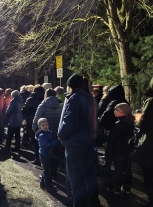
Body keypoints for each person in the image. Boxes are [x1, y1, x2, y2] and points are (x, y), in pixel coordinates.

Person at [58, 73, 100, 207]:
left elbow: (69, 122)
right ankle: (94, 202)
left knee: (76, 180)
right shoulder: (90, 98)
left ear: (71, 86)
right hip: (88, 141)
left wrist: (61, 135)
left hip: (75, 143)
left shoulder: (75, 99)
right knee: (89, 175)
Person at [32, 88, 62, 180]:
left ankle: (46, 175)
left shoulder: (43, 105)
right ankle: (54, 173)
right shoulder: (60, 104)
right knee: (55, 154)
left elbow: (37, 119)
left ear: (46, 95)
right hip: (57, 133)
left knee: (45, 154)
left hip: (45, 133)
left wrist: (35, 131)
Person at [106, 103, 134, 194]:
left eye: (117, 110)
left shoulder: (118, 124)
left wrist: (109, 149)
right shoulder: (130, 121)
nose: (114, 112)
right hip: (127, 149)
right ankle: (127, 186)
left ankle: (116, 187)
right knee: (127, 169)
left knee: (118, 169)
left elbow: (113, 139)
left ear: (122, 112)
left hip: (118, 150)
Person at [134, 79, 153, 205]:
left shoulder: (151, 101)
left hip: (150, 143)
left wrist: (138, 117)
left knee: (149, 177)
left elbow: (141, 121)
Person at [22, 85, 45, 164]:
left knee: (35, 140)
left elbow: (24, 110)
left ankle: (37, 158)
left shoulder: (30, 99)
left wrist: (26, 119)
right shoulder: (44, 99)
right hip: (43, 122)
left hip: (31, 122)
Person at [37, 118, 59, 191]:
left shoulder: (48, 133)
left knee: (46, 170)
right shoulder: (42, 136)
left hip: (48, 154)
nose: (45, 126)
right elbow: (46, 145)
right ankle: (48, 186)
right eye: (43, 125)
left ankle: (43, 184)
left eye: (46, 124)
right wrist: (56, 142)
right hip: (44, 154)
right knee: (46, 171)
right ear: (40, 127)